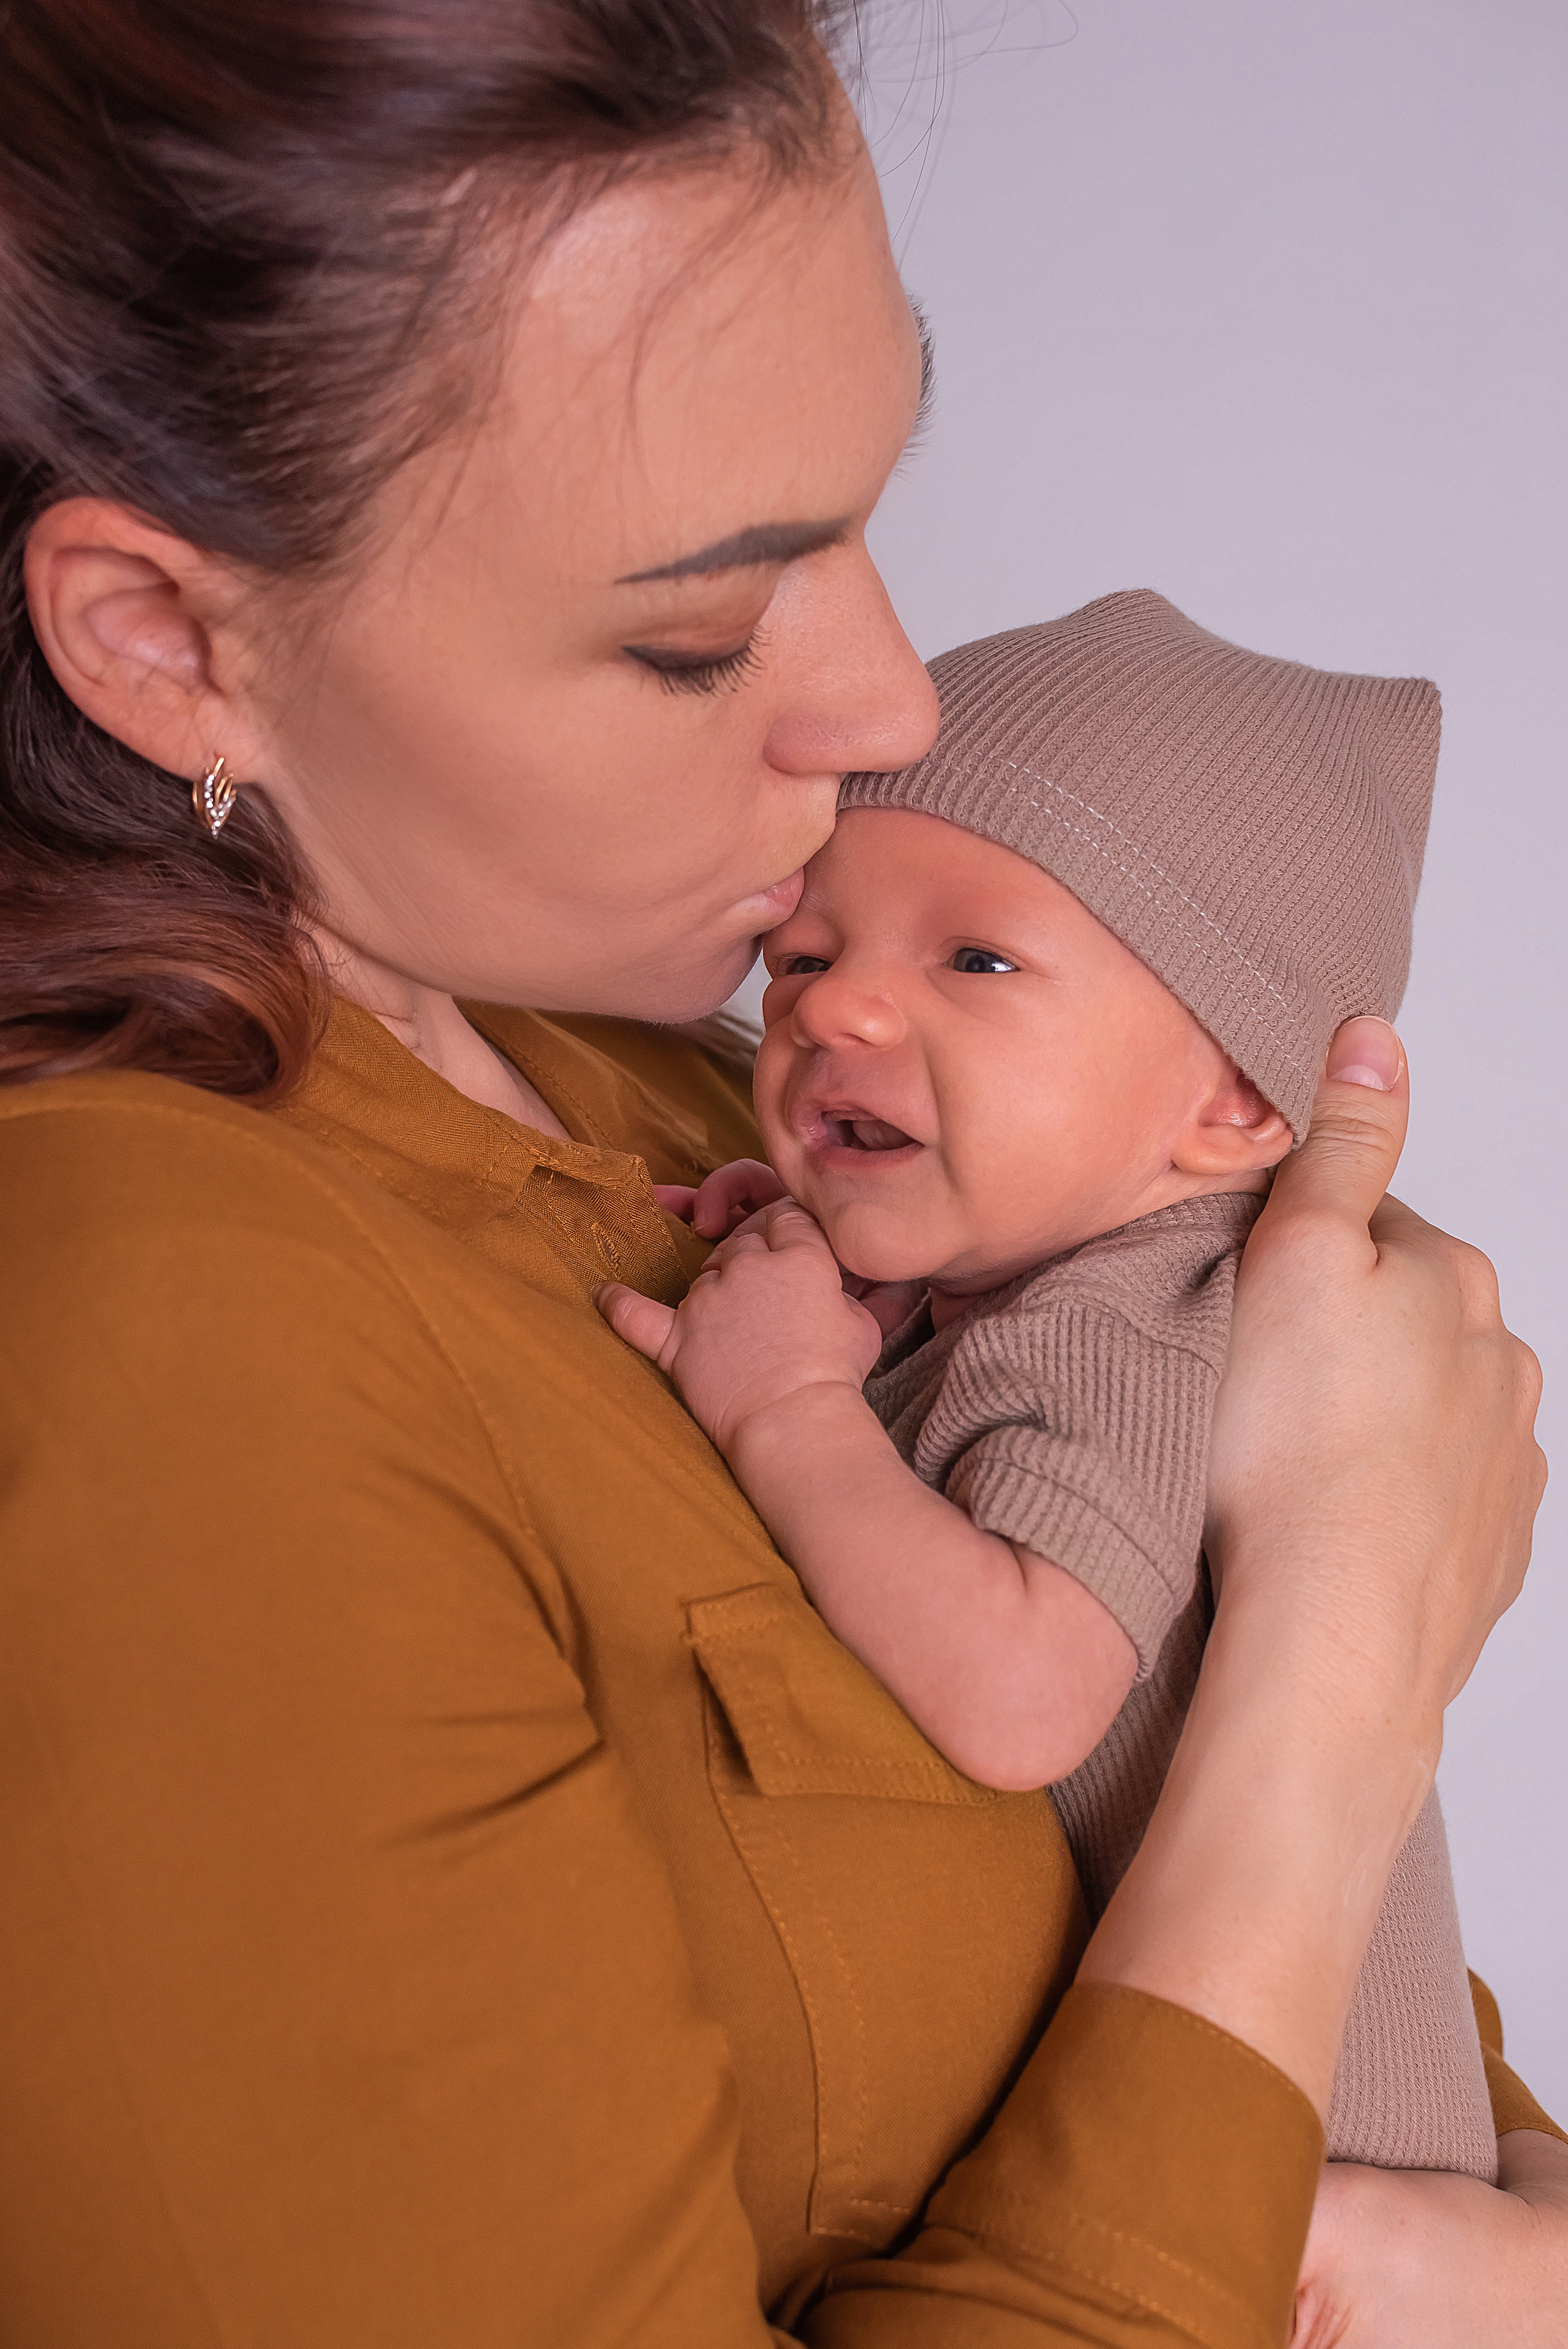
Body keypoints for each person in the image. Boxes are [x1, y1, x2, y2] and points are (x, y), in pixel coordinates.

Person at [0, 6, 1561, 2344]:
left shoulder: (695, 1095)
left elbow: (1410, 2081)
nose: (899, 700)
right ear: (165, 643)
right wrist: (1337, 1683)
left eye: (868, 512)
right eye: (699, 627)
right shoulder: (153, 1340)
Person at [605, 588, 1501, 2188]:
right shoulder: (1047, 1285)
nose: (834, 1007)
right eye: (804, 951)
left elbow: (1022, 1690)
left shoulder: (1107, 1331)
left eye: (976, 956)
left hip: (1289, 2199)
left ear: (1232, 1104)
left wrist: (795, 1403)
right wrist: (853, 1271)